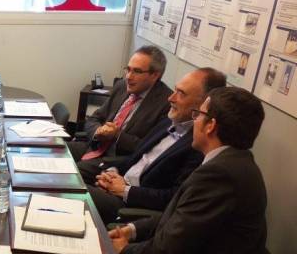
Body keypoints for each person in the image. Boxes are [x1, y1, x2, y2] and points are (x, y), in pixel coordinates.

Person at [110, 87, 266, 254]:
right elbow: (177, 215)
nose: (194, 121)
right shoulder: (229, 163)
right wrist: (132, 231)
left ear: (210, 125)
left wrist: (125, 250)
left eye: (198, 114)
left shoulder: (221, 174)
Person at [88, 68, 226, 224]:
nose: (171, 98)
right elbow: (135, 157)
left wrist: (124, 190)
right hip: (118, 181)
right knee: (72, 176)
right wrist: (112, 173)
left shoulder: (199, 145)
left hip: (131, 204)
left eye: (181, 93)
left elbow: (174, 197)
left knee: (73, 196)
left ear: (204, 104)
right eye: (175, 90)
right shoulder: (168, 121)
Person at [71, 46, 173, 182]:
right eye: (128, 69)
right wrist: (98, 131)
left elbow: (149, 148)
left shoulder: (166, 103)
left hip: (120, 159)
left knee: (73, 172)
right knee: (58, 150)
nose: (129, 76)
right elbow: (95, 118)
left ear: (155, 75)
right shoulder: (122, 86)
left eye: (137, 71)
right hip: (95, 146)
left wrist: (117, 135)